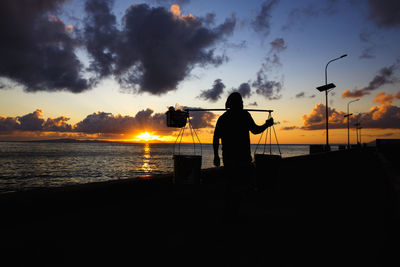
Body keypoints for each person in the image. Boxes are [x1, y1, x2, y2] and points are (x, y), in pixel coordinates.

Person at [213, 92, 274, 219]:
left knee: (232, 185)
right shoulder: (244, 115)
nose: (242, 104)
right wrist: (267, 125)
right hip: (241, 157)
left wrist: (216, 156)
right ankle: (233, 213)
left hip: (229, 157)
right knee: (239, 185)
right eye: (240, 102)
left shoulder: (223, 118)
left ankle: (231, 212)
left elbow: (216, 138)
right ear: (236, 104)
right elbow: (256, 130)